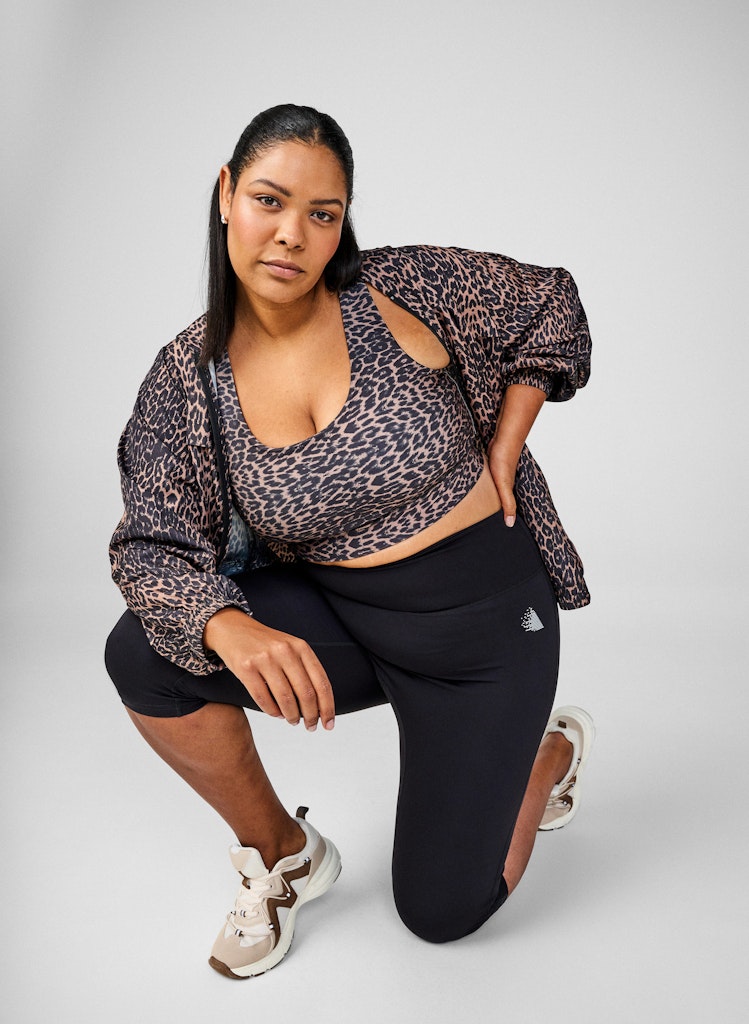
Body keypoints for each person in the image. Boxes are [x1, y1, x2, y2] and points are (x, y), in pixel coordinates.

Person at [105, 103, 596, 980]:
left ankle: (543, 750)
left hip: (484, 633)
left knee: (442, 914)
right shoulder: (188, 377)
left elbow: (546, 301)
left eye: (322, 213)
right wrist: (225, 623)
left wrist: (508, 440)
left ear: (342, 223)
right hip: (351, 620)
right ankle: (284, 854)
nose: (291, 235)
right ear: (225, 194)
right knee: (143, 652)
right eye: (268, 200)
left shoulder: (400, 288)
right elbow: (149, 544)